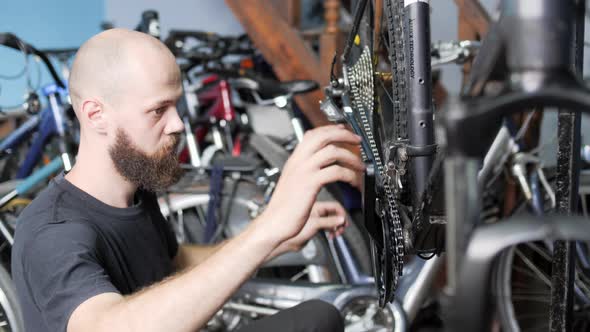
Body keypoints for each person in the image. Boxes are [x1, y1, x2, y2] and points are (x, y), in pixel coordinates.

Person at [11, 29, 365, 332]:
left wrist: (280, 240)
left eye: (176, 106)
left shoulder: (135, 190)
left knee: (320, 317)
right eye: (158, 110)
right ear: (96, 115)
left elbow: (176, 263)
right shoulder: (54, 231)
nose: (178, 124)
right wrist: (268, 228)